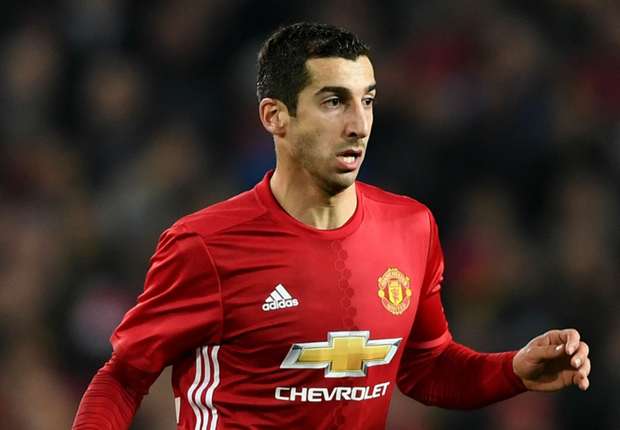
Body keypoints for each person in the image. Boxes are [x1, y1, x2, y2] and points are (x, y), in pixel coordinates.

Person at [72, 22, 591, 430]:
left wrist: (512, 371)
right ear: (275, 117)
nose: (358, 125)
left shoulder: (412, 228)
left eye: (367, 100)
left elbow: (426, 367)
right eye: (334, 101)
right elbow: (124, 378)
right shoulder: (205, 246)